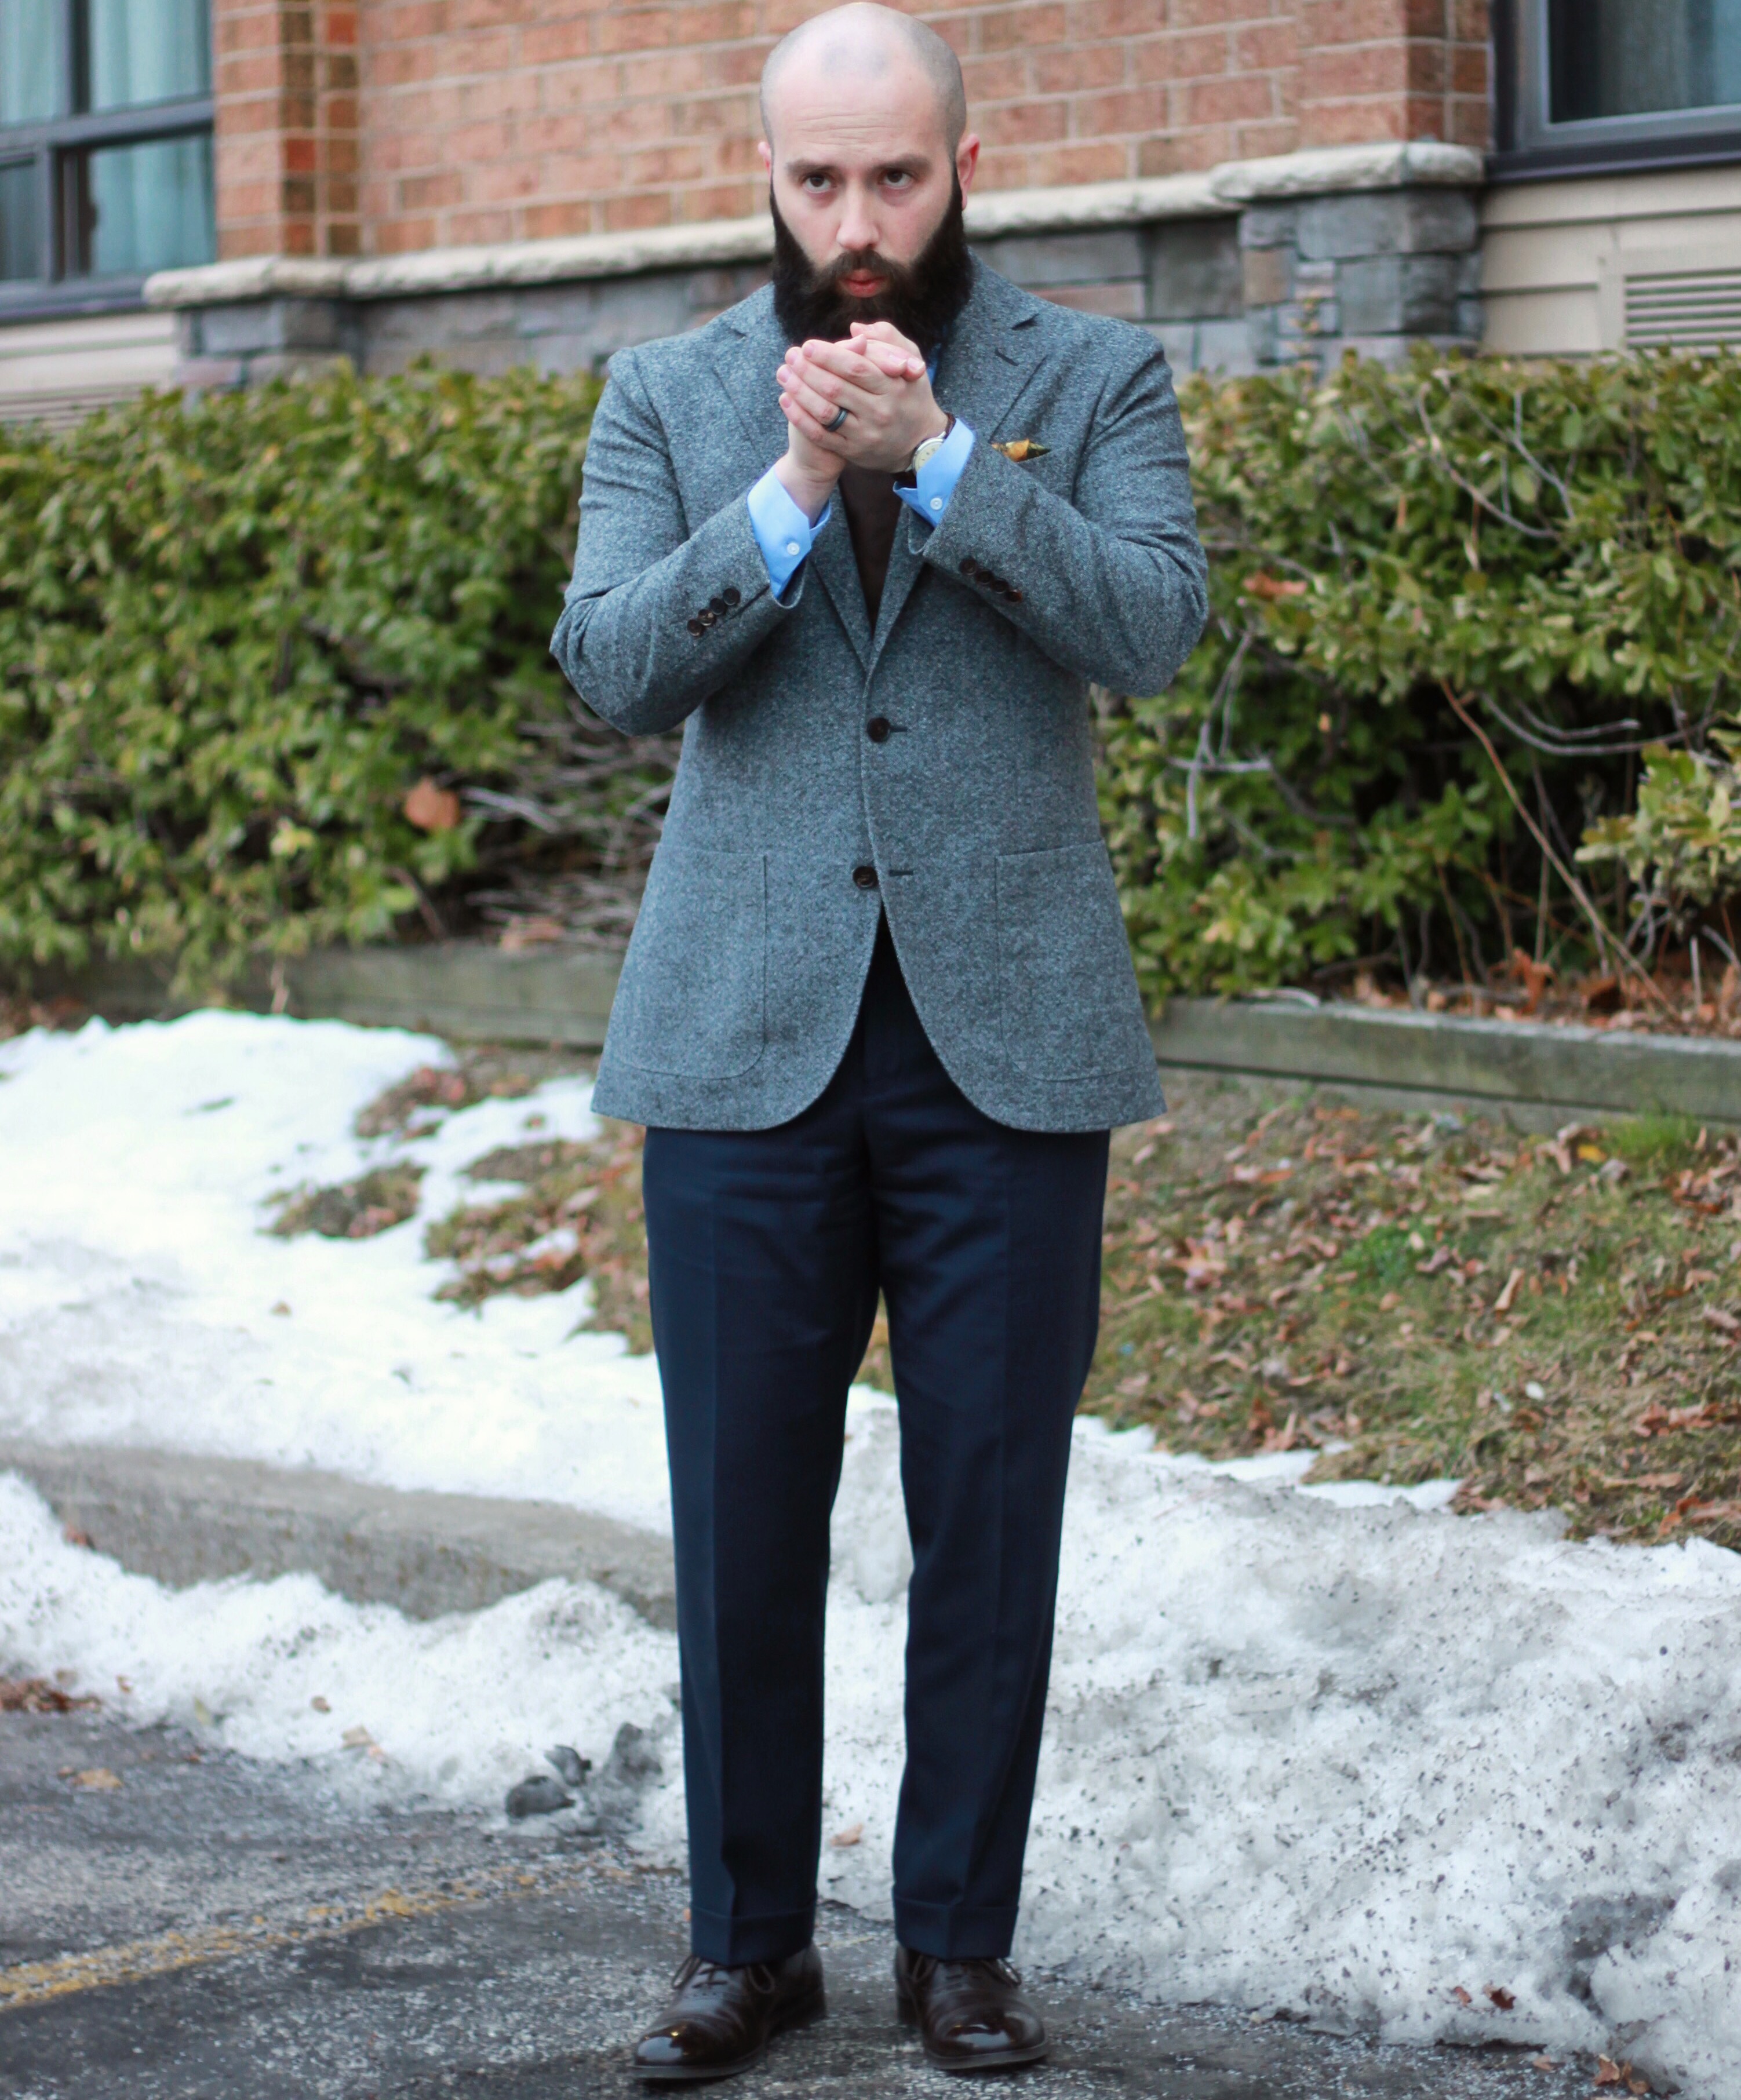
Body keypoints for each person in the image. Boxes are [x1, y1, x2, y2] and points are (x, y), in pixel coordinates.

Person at [550, 3, 1205, 2077]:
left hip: (1000, 1040)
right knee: (741, 1518)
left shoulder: (1089, 376)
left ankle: (957, 1950)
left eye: (894, 178)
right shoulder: (663, 395)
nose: (855, 224)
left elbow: (1151, 628)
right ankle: (747, 1947)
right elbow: (609, 672)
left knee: (988, 1515)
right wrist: (782, 489)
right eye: (817, 180)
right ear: (764, 173)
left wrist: (934, 466)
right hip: (743, 1042)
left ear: (961, 170)